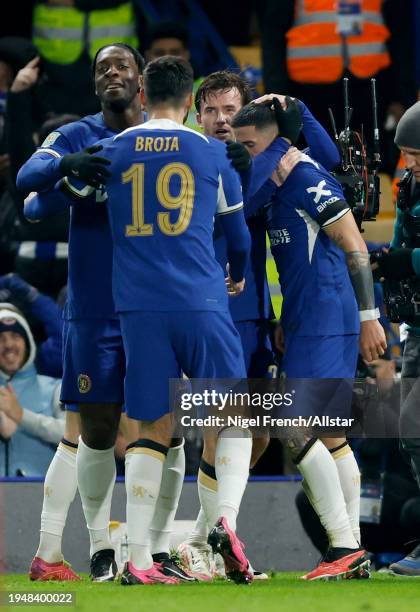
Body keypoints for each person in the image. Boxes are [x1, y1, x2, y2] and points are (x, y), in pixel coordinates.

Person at [64, 55, 253, 586]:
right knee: (234, 412)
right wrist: (233, 272)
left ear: (142, 94)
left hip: (138, 307)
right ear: (192, 101)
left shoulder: (110, 149)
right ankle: (221, 523)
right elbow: (237, 240)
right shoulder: (214, 151)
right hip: (200, 301)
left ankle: (140, 559)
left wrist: (61, 167)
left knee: (151, 427)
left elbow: (49, 198)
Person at [178, 70, 341, 579]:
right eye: (212, 111)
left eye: (232, 110)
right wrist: (278, 154)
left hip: (253, 314)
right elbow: (241, 204)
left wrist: (297, 110)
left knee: (260, 434)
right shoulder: (195, 160)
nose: (222, 120)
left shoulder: (253, 155)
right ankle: (200, 543)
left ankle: (209, 538)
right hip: (210, 311)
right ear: (197, 115)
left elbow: (330, 162)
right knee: (220, 428)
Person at [231, 100, 386, 580]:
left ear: (274, 138)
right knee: (332, 435)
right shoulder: (274, 183)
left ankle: (342, 546)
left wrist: (369, 317)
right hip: (306, 318)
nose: (245, 157)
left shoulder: (302, 175)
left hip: (327, 316)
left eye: (250, 145)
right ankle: (353, 550)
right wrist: (286, 316)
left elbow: (354, 244)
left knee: (293, 427)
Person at [17, 42, 147, 583]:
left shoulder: (165, 136)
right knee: (94, 430)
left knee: (163, 429)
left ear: (141, 80)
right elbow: (30, 191)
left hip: (156, 304)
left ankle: (152, 550)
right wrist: (67, 171)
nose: (111, 73)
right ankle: (100, 548)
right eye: (101, 69)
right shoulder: (76, 135)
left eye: (121, 65)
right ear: (95, 86)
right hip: (95, 307)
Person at [373, 100, 420, 576]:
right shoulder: (410, 189)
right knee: (412, 430)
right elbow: (404, 249)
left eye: (418, 154)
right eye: (406, 154)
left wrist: (407, 262)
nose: (410, 164)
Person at [0, 303, 64, 477]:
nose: (8, 345)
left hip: (41, 497)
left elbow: (71, 435)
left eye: (15, 336)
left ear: (27, 342)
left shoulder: (55, 388)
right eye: (1, 338)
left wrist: (21, 416)